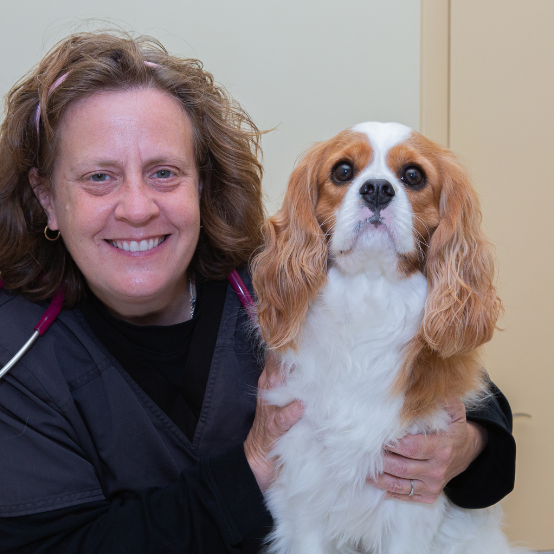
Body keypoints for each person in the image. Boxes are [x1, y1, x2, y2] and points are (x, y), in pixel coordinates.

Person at [0, 31, 515, 553]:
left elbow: (465, 389)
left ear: (201, 183)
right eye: (98, 177)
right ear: (46, 198)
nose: (137, 207)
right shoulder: (16, 355)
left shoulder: (268, 276)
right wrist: (253, 466)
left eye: (164, 173)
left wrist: (467, 445)